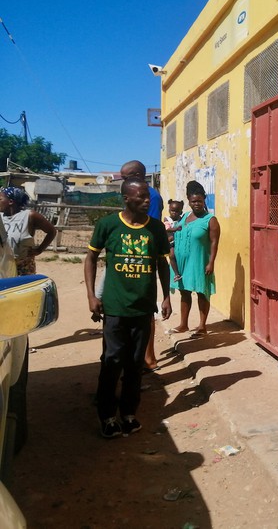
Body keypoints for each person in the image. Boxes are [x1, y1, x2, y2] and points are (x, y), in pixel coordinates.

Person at [84, 179, 172, 438]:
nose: (147, 201)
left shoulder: (155, 228)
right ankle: (107, 416)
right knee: (112, 361)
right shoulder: (108, 225)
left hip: (143, 308)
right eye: (141, 197)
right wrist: (91, 295)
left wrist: (166, 296)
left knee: (135, 364)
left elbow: (162, 264)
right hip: (115, 307)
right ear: (126, 198)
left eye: (148, 197)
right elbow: (90, 257)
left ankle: (129, 413)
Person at [120, 160, 164, 372]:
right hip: (130, 253)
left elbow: (149, 228)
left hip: (140, 256)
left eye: (126, 176)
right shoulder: (136, 193)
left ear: (136, 174)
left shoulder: (150, 197)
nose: (124, 181)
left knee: (144, 307)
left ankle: (149, 357)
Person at [168, 181, 220, 337]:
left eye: (199, 201)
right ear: (188, 201)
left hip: (199, 262)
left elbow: (214, 243)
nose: (196, 204)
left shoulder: (210, 220)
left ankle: (202, 326)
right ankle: (183, 324)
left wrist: (211, 262)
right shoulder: (183, 218)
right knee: (184, 293)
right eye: (193, 201)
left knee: (202, 293)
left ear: (204, 199)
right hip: (182, 263)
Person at [0, 186, 57, 275]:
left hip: (23, 267)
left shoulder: (29, 216)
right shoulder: (0, 217)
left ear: (10, 202)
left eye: (0, 199)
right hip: (3, 266)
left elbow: (52, 231)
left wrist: (39, 250)